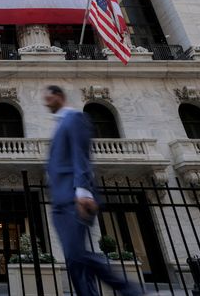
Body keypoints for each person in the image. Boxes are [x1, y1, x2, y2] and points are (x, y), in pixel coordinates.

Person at [45, 85, 141, 296]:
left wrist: (83, 192)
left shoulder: (75, 119)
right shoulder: (59, 124)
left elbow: (81, 155)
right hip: (60, 200)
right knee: (73, 260)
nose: (46, 102)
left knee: (76, 254)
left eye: (49, 98)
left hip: (73, 197)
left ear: (59, 97)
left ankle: (129, 289)